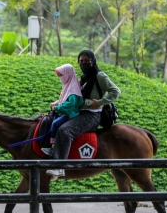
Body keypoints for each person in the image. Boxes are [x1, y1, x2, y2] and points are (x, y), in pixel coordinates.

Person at [46, 50, 121, 180]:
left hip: (92, 115)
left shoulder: (100, 76)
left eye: (87, 61)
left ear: (93, 61)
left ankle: (58, 166)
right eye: (81, 61)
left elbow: (115, 91)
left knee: (65, 130)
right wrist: (57, 103)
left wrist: (101, 102)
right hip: (80, 113)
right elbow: (74, 96)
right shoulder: (83, 78)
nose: (84, 64)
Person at [42, 64, 84, 157]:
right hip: (65, 112)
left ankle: (53, 147)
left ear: (68, 75)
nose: (60, 78)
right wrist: (56, 103)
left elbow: (70, 104)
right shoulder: (69, 85)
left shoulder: (73, 89)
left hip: (70, 114)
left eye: (61, 75)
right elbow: (64, 98)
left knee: (55, 124)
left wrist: (57, 108)